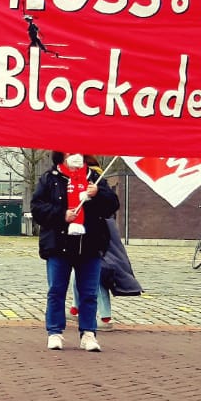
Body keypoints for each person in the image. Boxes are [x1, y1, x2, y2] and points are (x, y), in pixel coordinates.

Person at [31, 151, 119, 352]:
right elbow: (37, 208)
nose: (75, 155)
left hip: (89, 244)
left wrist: (99, 194)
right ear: (61, 156)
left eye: (79, 151)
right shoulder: (49, 179)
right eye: (70, 151)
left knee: (89, 293)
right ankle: (54, 332)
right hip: (58, 245)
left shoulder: (95, 178)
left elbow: (112, 206)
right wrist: (62, 215)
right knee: (56, 290)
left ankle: (88, 333)